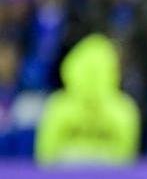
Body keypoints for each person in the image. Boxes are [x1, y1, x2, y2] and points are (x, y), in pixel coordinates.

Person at [36, 33, 140, 165]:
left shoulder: (58, 105)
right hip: (69, 174)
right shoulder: (124, 109)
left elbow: (45, 156)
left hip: (100, 175)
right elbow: (45, 156)